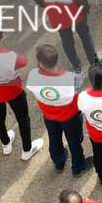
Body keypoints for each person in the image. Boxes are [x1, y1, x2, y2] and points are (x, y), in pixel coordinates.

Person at [0, 29, 44, 159]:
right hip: (13, 91)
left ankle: (5, 144)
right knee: (23, 119)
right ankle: (27, 149)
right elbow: (24, 61)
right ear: (2, 36)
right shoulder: (9, 56)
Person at [27, 43, 93, 175]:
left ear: (41, 64)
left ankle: (59, 162)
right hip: (69, 115)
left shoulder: (34, 75)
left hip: (48, 114)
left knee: (54, 137)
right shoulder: (68, 77)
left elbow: (31, 87)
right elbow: (72, 94)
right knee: (74, 140)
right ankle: (78, 166)